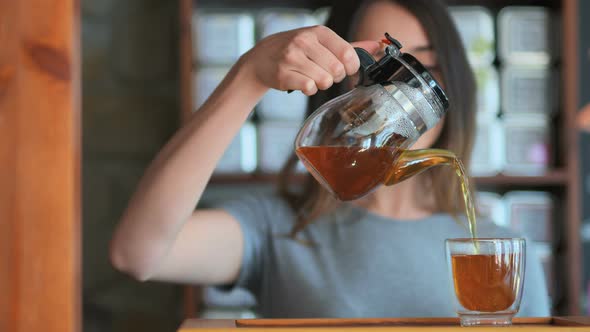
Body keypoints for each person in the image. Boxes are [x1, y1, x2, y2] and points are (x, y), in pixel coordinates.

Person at [110, 0, 550, 317]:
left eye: (422, 70)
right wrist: (249, 76)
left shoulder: (499, 253)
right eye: (380, 71)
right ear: (337, 83)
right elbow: (138, 254)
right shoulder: (278, 229)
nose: (401, 93)